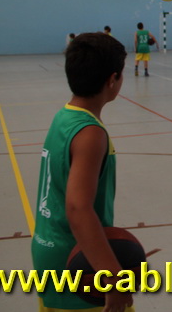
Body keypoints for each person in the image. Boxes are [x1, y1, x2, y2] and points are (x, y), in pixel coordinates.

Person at [31, 32, 134, 312]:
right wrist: (113, 278)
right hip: (78, 266)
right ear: (112, 80)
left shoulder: (64, 115)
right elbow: (78, 209)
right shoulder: (90, 133)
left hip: (50, 252)